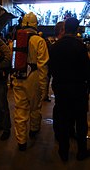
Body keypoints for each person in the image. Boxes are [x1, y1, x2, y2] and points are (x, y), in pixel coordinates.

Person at [49, 17, 90, 161]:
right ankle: (81, 151)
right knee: (80, 121)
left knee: (64, 121)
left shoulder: (55, 46)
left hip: (61, 89)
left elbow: (52, 69)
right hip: (79, 89)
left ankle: (63, 151)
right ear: (78, 29)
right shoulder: (81, 46)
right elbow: (87, 70)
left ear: (65, 28)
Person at [12, 12, 49, 151]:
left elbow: (13, 59)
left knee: (20, 109)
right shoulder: (39, 40)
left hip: (18, 75)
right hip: (33, 77)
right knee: (35, 106)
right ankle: (33, 130)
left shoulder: (16, 39)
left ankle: (21, 141)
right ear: (35, 24)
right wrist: (43, 87)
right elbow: (43, 65)